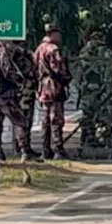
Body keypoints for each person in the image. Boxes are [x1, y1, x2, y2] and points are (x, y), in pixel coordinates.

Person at [0, 40, 42, 162]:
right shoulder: (3, 52)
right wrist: (20, 81)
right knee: (19, 121)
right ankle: (24, 151)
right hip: (6, 93)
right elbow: (7, 71)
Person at [33, 23, 73, 160]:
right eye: (58, 33)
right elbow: (58, 70)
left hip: (43, 88)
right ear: (53, 33)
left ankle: (45, 149)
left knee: (46, 120)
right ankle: (58, 149)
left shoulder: (39, 49)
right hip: (54, 87)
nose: (60, 36)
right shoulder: (53, 49)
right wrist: (66, 79)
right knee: (56, 119)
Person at [77, 30, 112, 157]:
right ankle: (104, 141)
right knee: (103, 117)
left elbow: (79, 73)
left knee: (88, 116)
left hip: (87, 90)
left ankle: (87, 140)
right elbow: (109, 74)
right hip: (102, 90)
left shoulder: (83, 52)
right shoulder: (106, 53)